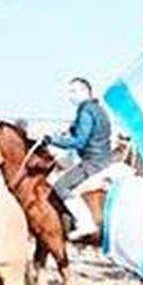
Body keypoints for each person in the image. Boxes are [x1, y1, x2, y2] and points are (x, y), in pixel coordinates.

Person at [46, 77, 113, 241]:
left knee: (61, 186)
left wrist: (53, 140)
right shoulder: (99, 109)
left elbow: (80, 142)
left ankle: (85, 223)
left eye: (74, 91)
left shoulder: (86, 111)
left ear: (85, 91)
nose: (71, 96)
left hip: (93, 162)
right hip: (104, 158)